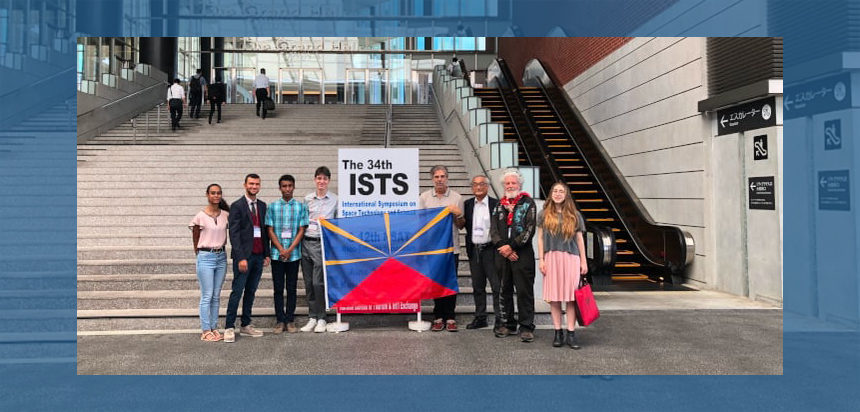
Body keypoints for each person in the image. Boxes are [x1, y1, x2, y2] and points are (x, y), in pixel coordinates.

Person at [538, 182, 587, 349]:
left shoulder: (575, 215)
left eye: (561, 191)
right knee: (555, 298)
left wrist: (583, 261)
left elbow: (580, 239)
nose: (558, 194)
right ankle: (557, 332)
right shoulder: (543, 214)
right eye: (555, 191)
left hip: (571, 259)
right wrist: (541, 259)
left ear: (566, 195)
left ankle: (571, 333)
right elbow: (540, 239)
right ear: (551, 193)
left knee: (571, 299)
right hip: (551, 258)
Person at [490, 169, 538, 342]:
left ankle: (526, 326)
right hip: (502, 254)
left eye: (514, 183)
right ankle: (507, 323)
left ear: (519, 184)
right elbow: (493, 229)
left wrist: (511, 247)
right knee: (504, 290)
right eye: (507, 183)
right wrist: (503, 247)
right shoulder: (498, 205)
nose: (510, 185)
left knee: (524, 291)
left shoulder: (528, 203)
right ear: (504, 185)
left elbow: (530, 229)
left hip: (522, 254)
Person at [418, 165, 465, 332]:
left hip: (452, 248)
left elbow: (461, 225)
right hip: (433, 249)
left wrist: (458, 214)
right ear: (432, 179)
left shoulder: (457, 197)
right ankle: (438, 317)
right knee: (437, 283)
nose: (440, 179)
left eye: (442, 176)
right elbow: (420, 223)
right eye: (437, 176)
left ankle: (450, 317)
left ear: (447, 178)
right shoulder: (424, 198)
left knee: (450, 282)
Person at [224, 174, 271, 343]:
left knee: (251, 291)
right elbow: (234, 234)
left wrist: (267, 253)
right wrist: (240, 257)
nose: (254, 186)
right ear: (245, 185)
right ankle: (229, 326)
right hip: (244, 258)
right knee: (237, 291)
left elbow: (265, 231)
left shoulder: (263, 206)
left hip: (258, 256)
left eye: (257, 184)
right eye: (251, 183)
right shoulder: (237, 206)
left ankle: (246, 324)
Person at [265, 174, 309, 334]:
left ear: (294, 187)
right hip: (277, 254)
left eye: (290, 186)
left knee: (291, 289)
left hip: (294, 254)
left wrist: (289, 250)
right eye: (284, 186)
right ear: (280, 188)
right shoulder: (272, 207)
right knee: (278, 288)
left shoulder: (300, 207)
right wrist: (281, 249)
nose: (287, 189)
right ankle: (279, 320)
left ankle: (290, 320)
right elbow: (269, 229)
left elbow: (302, 229)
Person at [189, 184, 230, 342]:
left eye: (219, 193)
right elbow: (195, 235)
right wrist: (199, 253)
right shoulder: (200, 215)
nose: (216, 196)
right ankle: (205, 330)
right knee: (207, 295)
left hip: (221, 256)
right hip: (206, 256)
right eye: (213, 193)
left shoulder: (225, 214)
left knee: (216, 296)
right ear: (207, 195)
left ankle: (214, 327)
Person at [300, 166, 337, 333]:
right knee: (308, 283)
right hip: (306, 242)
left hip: (321, 243)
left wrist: (327, 223)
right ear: (315, 179)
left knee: (317, 282)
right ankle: (312, 317)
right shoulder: (307, 198)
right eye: (319, 178)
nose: (322, 181)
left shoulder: (335, 200)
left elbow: (339, 224)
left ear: (329, 181)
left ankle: (322, 317)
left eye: (325, 179)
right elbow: (301, 219)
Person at [463, 175, 500, 330]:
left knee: (497, 286)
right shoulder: (467, 204)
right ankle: (480, 317)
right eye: (475, 184)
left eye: (482, 184)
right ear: (472, 187)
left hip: (491, 250)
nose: (478, 187)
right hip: (475, 250)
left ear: (487, 186)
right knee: (478, 287)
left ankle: (500, 318)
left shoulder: (496, 204)